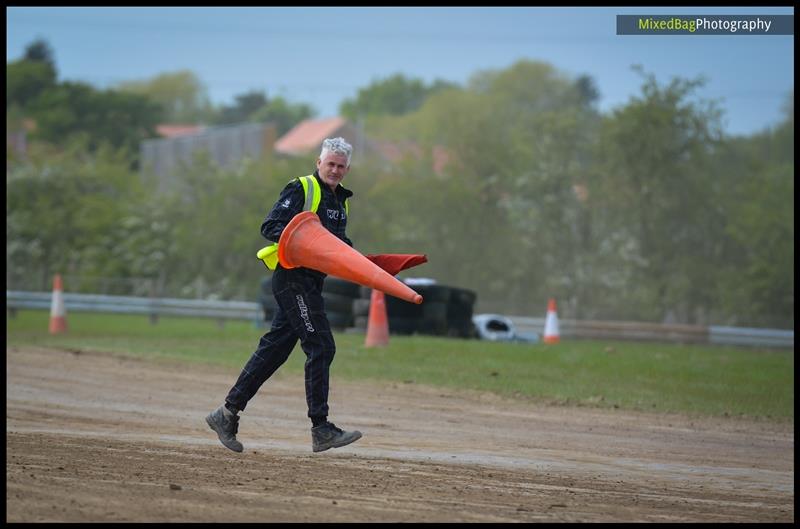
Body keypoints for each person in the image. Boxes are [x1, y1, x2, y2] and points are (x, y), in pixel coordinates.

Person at [206, 137, 362, 454]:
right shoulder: (301, 188)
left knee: (275, 350)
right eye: (330, 163)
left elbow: (337, 243)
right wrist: (303, 241)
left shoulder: (341, 200)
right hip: (293, 279)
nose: (334, 170)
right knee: (321, 345)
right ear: (319, 163)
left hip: (312, 283)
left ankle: (225, 414)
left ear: (347, 169)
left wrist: (364, 262)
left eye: (341, 166)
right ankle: (321, 428)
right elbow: (271, 225)